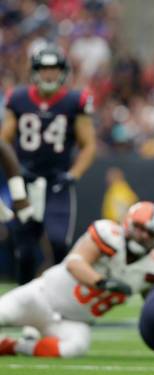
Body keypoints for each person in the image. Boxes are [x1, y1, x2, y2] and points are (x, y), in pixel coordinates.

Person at [0, 201, 154, 358]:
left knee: (76, 347)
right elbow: (74, 263)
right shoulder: (109, 234)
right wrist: (102, 282)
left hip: (72, 321)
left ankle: (14, 346)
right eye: (139, 227)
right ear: (127, 223)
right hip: (40, 298)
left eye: (150, 233)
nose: (143, 235)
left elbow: (153, 308)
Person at [0, 43, 97, 284]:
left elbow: (89, 144)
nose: (49, 74)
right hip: (26, 180)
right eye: (44, 69)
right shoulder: (19, 98)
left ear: (63, 72)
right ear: (35, 71)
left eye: (54, 69)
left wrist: (73, 174)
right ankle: (24, 299)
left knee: (58, 242)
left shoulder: (75, 101)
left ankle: (60, 297)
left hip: (57, 182)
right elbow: (3, 140)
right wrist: (14, 171)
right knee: (24, 249)